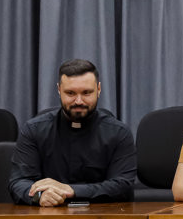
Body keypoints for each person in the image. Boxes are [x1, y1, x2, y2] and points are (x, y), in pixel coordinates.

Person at [8, 59, 137, 206]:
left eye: (87, 93)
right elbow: (19, 182)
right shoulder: (34, 129)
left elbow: (122, 185)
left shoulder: (119, 133)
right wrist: (40, 196)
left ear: (99, 89)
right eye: (70, 93)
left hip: (105, 218)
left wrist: (70, 190)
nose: (79, 101)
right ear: (58, 90)